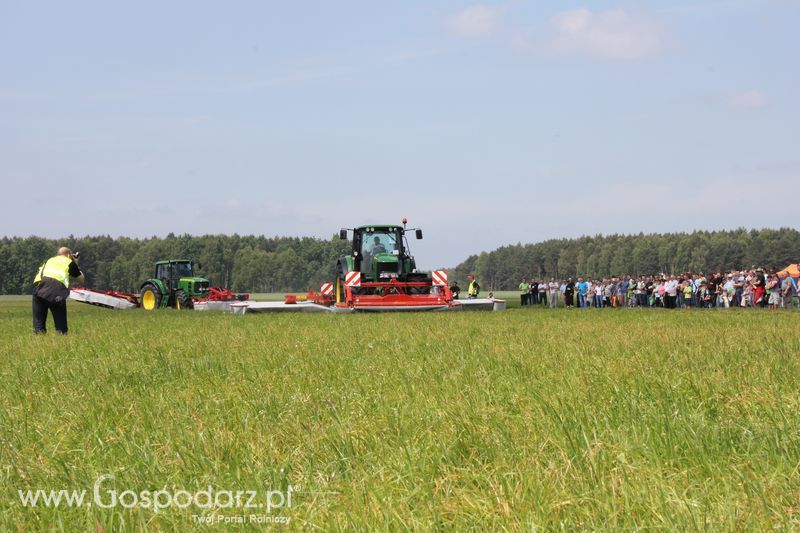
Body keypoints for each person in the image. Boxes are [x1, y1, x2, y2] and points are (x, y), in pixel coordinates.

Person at [32, 247, 84, 334]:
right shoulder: (69, 262)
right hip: (55, 290)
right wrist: (76, 263)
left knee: (39, 326)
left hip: (38, 289)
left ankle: (39, 341)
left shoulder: (49, 260)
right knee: (61, 327)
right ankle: (61, 338)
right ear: (69, 255)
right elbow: (81, 280)